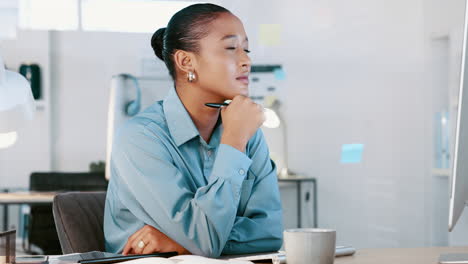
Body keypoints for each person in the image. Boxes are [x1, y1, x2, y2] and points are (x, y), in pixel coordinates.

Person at [104, 3, 283, 258]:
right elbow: (205, 241)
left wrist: (183, 243)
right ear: (186, 61)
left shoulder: (246, 132)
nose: (246, 61)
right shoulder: (140, 138)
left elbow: (270, 234)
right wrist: (233, 142)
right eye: (232, 48)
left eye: (247, 49)